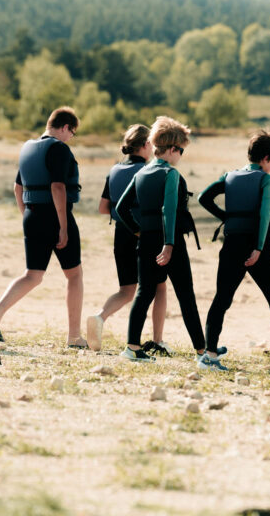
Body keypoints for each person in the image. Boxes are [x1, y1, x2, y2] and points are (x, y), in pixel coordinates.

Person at [198, 130, 270, 371]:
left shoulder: (230, 176)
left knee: (221, 299)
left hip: (230, 244)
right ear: (267, 158)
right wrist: (259, 248)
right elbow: (263, 216)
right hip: (256, 246)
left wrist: (227, 218)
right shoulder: (266, 179)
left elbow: (203, 198)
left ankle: (209, 355)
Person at [0, 107, 86, 347]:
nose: (70, 138)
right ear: (65, 127)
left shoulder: (28, 148)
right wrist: (63, 227)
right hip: (55, 215)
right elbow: (58, 188)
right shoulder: (59, 148)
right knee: (74, 275)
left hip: (32, 215)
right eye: (72, 133)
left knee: (33, 275)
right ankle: (74, 337)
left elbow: (17, 188)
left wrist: (26, 215)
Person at [114, 116, 206, 363]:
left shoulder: (143, 173)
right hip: (170, 242)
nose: (181, 156)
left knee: (144, 293)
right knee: (186, 295)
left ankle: (132, 347)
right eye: (182, 151)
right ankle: (202, 352)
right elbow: (168, 210)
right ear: (173, 149)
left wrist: (139, 231)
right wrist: (168, 245)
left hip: (146, 240)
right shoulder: (170, 174)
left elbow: (121, 209)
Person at [86, 124, 169, 353]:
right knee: (159, 287)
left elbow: (104, 208)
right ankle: (158, 340)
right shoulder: (150, 171)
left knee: (127, 290)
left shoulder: (114, 171)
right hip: (145, 234)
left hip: (121, 234)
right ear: (145, 145)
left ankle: (100, 317)